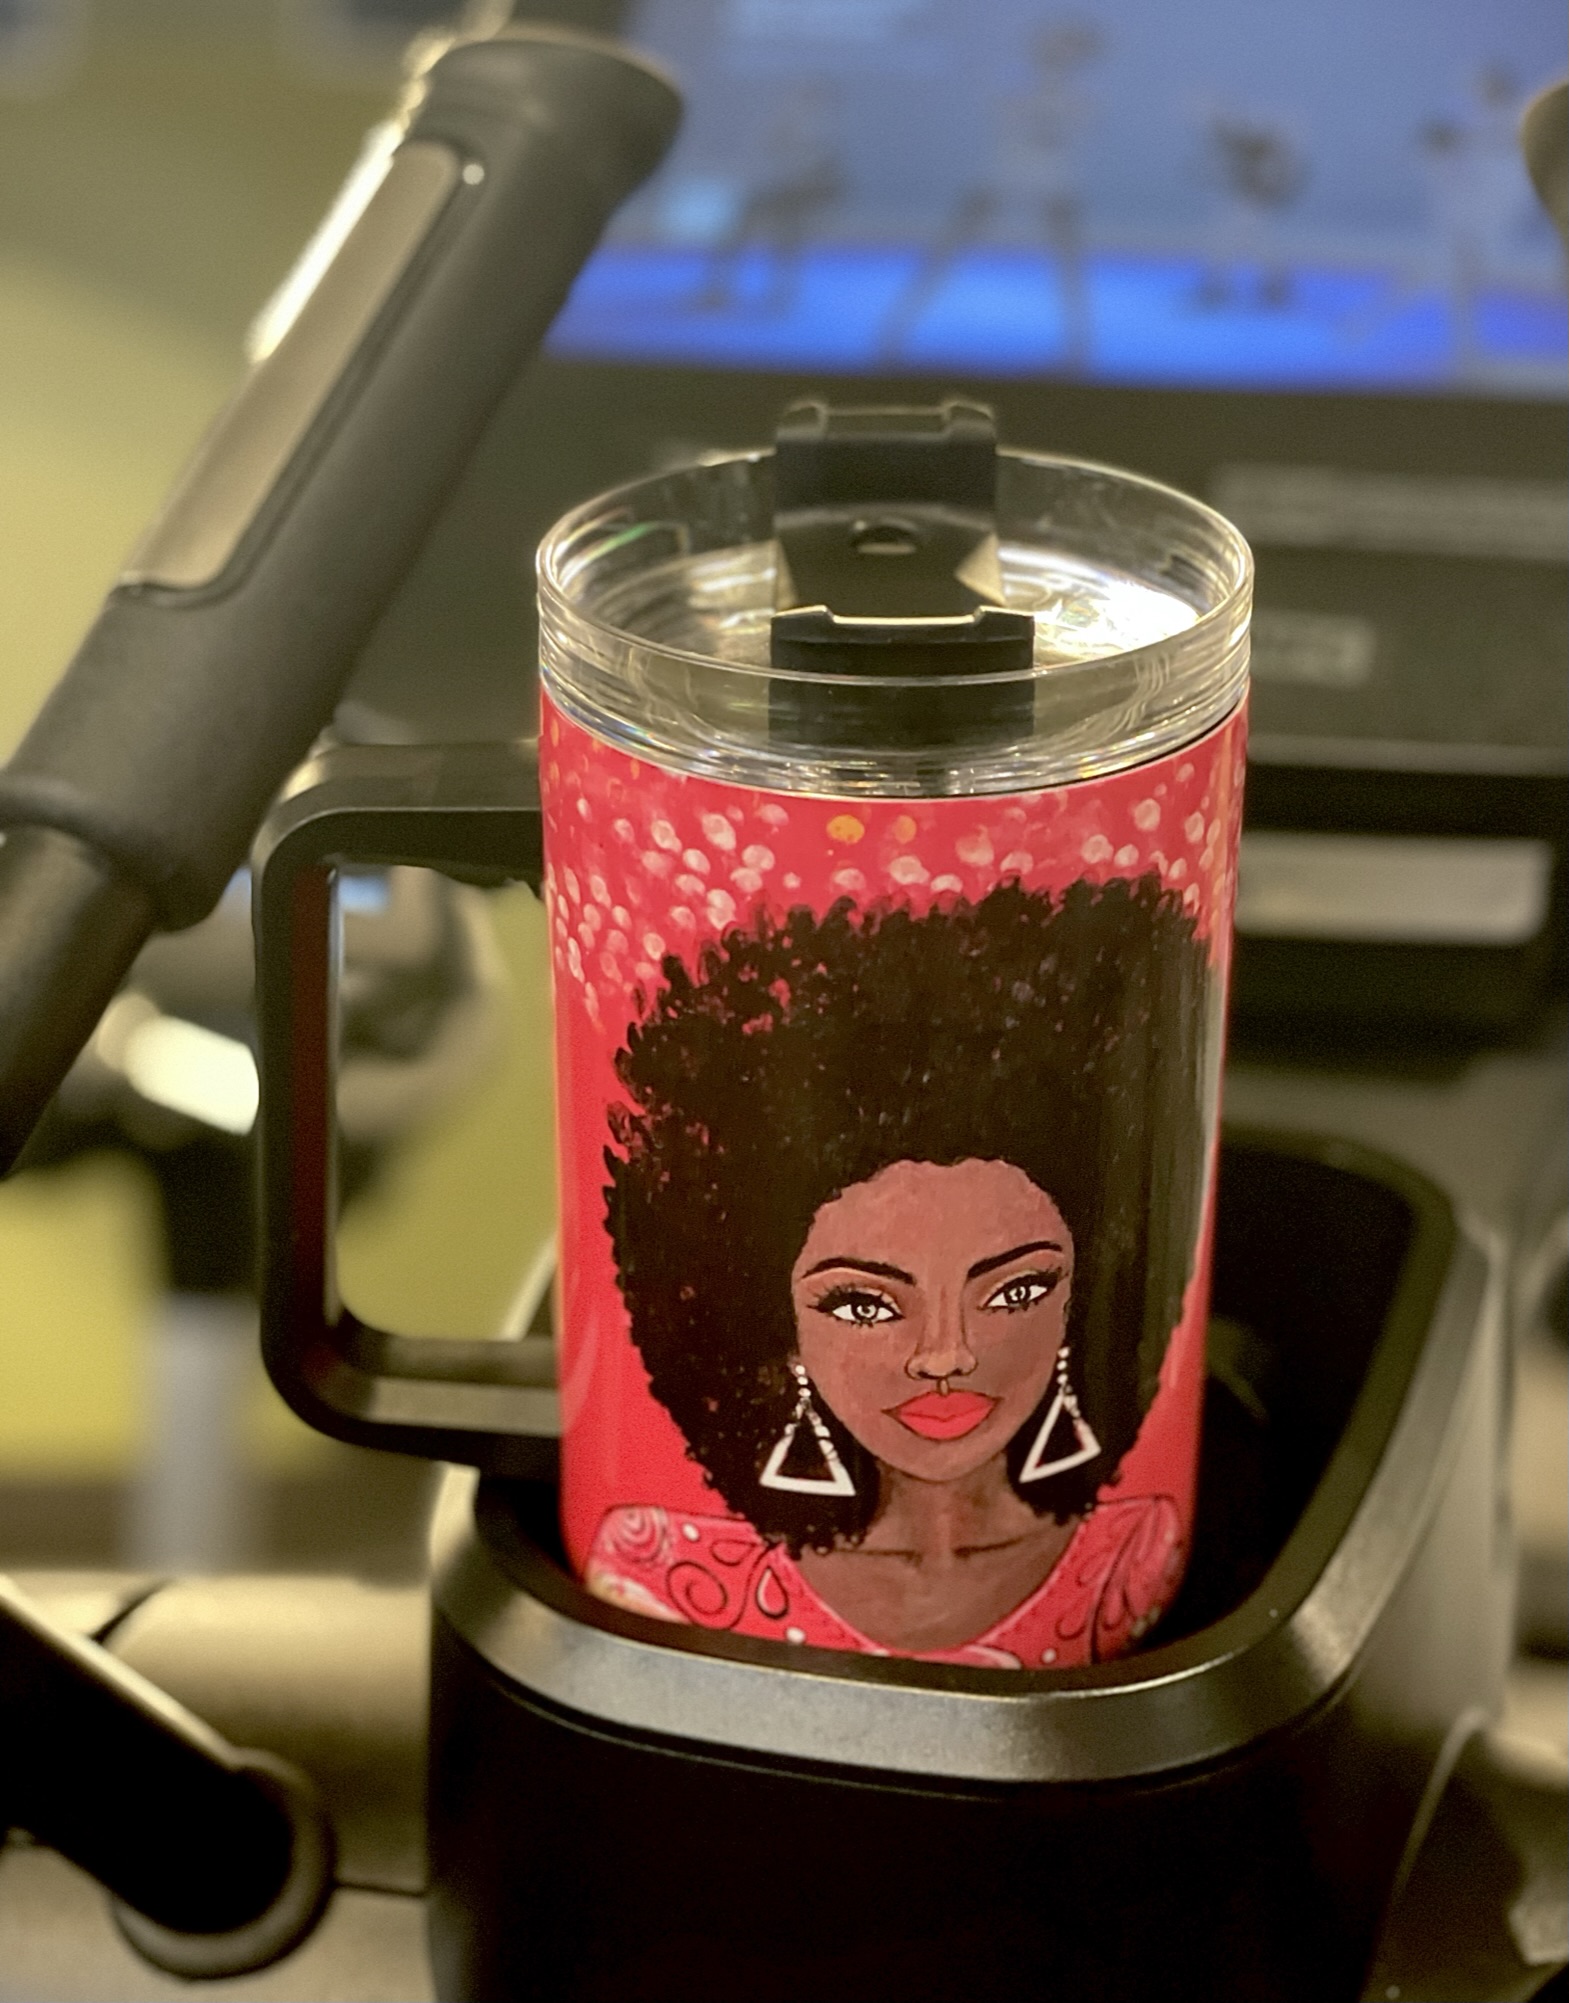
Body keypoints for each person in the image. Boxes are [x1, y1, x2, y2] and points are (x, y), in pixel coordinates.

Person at [590, 875, 1213, 1667]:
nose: (945, 1353)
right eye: (864, 1304)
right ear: (766, 1319)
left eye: (1015, 1290)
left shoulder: (1138, 1550)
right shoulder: (659, 1570)